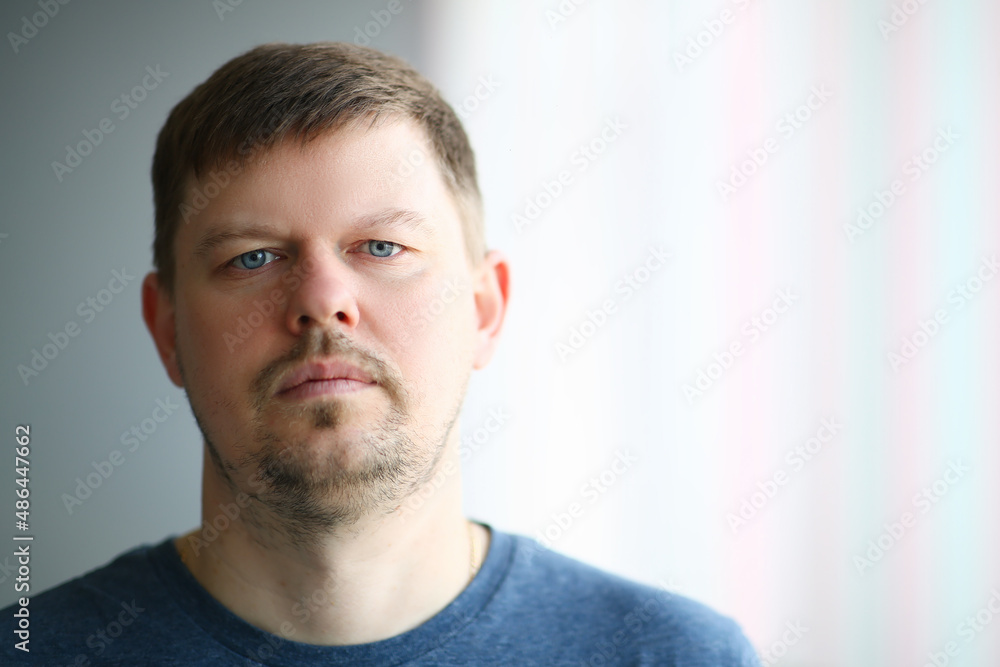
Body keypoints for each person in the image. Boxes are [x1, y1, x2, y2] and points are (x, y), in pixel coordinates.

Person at [2, 42, 760, 665]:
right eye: (253, 257)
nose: (321, 300)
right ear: (167, 329)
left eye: (382, 246)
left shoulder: (676, 656)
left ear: (485, 307)